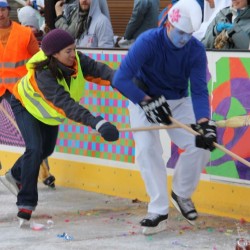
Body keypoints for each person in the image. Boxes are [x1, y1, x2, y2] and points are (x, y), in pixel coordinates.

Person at [113, 0, 217, 235]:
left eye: (189, 35)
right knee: (147, 149)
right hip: (143, 97)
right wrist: (145, 101)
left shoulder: (195, 50)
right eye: (180, 33)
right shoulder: (148, 41)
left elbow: (199, 90)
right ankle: (158, 209)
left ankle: (181, 193)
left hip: (178, 101)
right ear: (169, 25)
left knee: (200, 144)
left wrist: (203, 123)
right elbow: (119, 79)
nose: (184, 39)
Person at [1, 28, 119, 224]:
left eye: (74, 49)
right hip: (24, 105)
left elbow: (101, 71)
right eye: (68, 51)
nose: (74, 54)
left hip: (48, 115)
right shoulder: (44, 74)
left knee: (46, 149)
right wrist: (96, 122)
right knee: (34, 148)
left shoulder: (77, 61)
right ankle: (26, 203)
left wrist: (122, 80)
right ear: (54, 54)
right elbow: (66, 104)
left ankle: (14, 174)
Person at [0, 0, 55, 188]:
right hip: (3, 89)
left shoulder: (24, 34)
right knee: (35, 143)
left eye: (3, 10)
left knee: (40, 142)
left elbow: (39, 62)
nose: (0, 14)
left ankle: (24, 173)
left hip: (23, 91)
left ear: (9, 11)